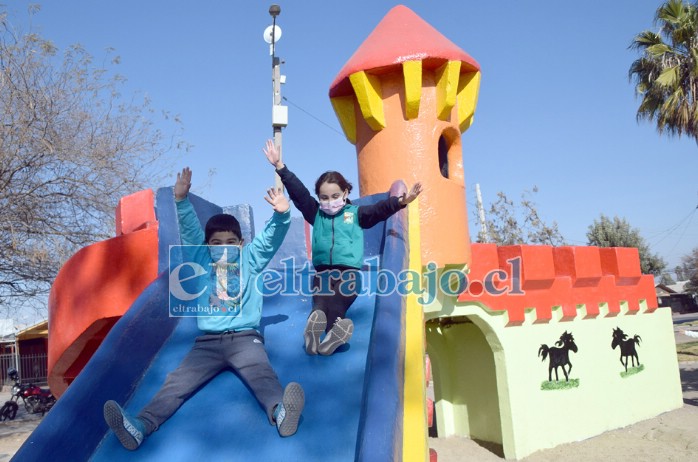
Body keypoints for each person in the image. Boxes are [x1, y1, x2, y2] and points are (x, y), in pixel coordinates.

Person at [103, 161, 304, 451]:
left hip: (245, 339)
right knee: (176, 384)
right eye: (217, 242)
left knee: (262, 375)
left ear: (242, 243)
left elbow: (271, 238)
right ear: (208, 245)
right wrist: (181, 200)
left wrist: (282, 215)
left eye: (231, 242)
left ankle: (281, 412)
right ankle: (140, 426)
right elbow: (190, 231)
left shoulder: (250, 259)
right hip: (206, 344)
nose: (224, 246)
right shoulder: (201, 259)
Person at [263, 140, 422, 356]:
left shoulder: (355, 214)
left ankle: (326, 333)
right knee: (321, 307)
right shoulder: (315, 214)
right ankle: (327, 335)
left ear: (345, 193)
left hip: (349, 274)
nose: (330, 201)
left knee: (336, 305)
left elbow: (379, 210)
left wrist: (401, 201)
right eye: (324, 198)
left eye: (335, 196)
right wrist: (280, 166)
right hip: (322, 274)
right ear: (319, 198)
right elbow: (299, 194)